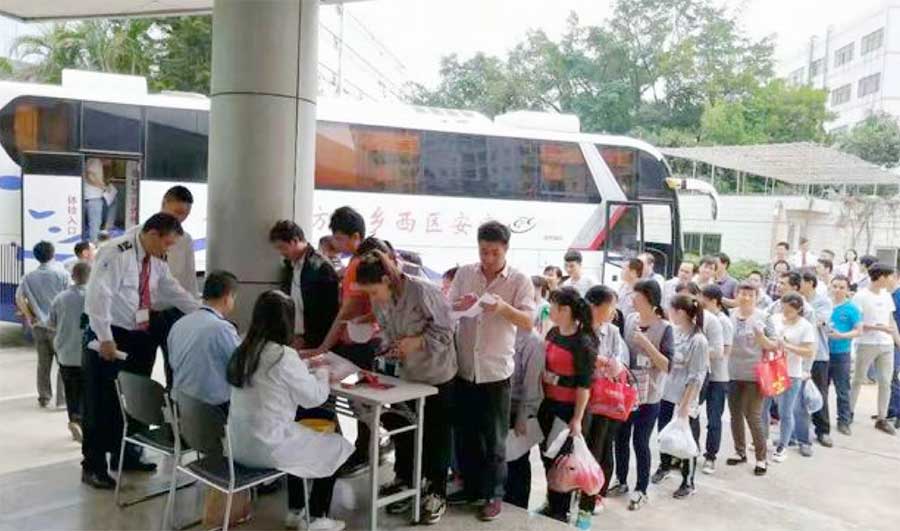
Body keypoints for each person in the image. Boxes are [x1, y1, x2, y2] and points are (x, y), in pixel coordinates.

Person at [81, 213, 200, 489]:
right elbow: (99, 295)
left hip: (137, 334)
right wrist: (105, 337)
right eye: (167, 243)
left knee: (135, 397)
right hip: (108, 335)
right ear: (153, 234)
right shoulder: (117, 252)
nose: (168, 249)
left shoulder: (154, 260)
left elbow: (173, 290)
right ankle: (93, 466)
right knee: (101, 401)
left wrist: (203, 311)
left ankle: (127, 454)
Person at [227, 291, 353, 531]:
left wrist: (303, 365)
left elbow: (274, 375)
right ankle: (315, 518)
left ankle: (296, 511)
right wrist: (323, 372)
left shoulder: (243, 348)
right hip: (267, 449)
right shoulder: (283, 355)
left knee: (300, 438)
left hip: (238, 446)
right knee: (337, 445)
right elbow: (314, 398)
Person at [353, 251, 458, 524]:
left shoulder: (423, 291)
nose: (373, 299)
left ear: (387, 280)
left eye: (374, 292)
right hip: (405, 376)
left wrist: (418, 341)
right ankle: (406, 480)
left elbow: (447, 330)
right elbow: (386, 330)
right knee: (403, 429)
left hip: (436, 375)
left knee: (435, 435)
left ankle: (435, 492)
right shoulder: (380, 300)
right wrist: (388, 347)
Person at [447, 221, 534, 522]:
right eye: (483, 251)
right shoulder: (465, 274)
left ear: (506, 249)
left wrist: (502, 308)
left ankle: (494, 495)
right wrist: (460, 305)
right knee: (466, 435)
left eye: (495, 253)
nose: (488, 258)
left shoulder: (519, 280)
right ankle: (470, 488)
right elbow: (447, 309)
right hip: (464, 369)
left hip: (496, 372)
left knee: (495, 440)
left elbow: (529, 321)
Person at [301, 207, 383, 476]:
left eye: (339, 238)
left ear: (356, 236)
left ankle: (365, 452)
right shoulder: (358, 263)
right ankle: (368, 449)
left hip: (362, 343)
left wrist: (324, 347)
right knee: (358, 401)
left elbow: (348, 311)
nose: (336, 244)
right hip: (359, 340)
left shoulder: (360, 266)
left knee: (362, 402)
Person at [608, 280, 672, 511]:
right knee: (621, 437)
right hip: (626, 393)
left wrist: (646, 344)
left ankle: (641, 489)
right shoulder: (630, 319)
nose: (632, 300)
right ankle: (621, 480)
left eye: (637, 296)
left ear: (650, 300)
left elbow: (667, 365)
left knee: (641, 442)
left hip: (650, 395)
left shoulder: (665, 328)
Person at [537, 287, 598, 527]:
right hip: (547, 405)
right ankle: (552, 502)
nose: (548, 310)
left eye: (552, 306)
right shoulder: (553, 332)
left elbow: (584, 385)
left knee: (563, 462)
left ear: (565, 310)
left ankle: (561, 511)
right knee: (547, 457)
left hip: (568, 410)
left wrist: (577, 419)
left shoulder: (583, 342)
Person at [655, 294, 709, 499]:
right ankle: (664, 466)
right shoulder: (675, 332)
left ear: (681, 312)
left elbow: (697, 376)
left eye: (672, 309)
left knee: (687, 440)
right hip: (667, 393)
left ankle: (688, 481)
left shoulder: (698, 340)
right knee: (665, 433)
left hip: (684, 398)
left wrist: (685, 405)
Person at [148, 186, 200, 390]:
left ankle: (174, 407)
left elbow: (189, 279)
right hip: (144, 312)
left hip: (174, 312)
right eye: (177, 212)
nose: (180, 218)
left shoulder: (185, 240)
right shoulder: (144, 234)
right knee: (141, 365)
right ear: (163, 204)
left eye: (186, 214)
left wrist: (195, 313)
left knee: (176, 366)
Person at [166, 271, 241, 410]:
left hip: (181, 407)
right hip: (212, 411)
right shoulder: (221, 328)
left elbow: (173, 363)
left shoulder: (179, 324)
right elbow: (241, 366)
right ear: (227, 298)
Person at [584, 285, 628, 507]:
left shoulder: (612, 332)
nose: (614, 312)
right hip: (579, 397)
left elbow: (618, 365)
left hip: (603, 399)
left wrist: (606, 364)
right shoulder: (578, 328)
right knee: (576, 447)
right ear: (594, 306)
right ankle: (571, 491)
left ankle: (595, 494)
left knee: (599, 446)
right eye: (611, 306)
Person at [728, 282, 777, 476]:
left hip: (755, 374)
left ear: (757, 297)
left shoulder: (764, 317)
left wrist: (761, 337)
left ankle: (761, 458)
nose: (746, 298)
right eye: (743, 293)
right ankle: (739, 451)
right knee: (735, 414)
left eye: (750, 295)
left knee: (753, 415)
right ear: (736, 295)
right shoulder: (730, 315)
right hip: (732, 372)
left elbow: (774, 344)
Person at [270, 221, 340, 351]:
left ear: (295, 241)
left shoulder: (320, 267)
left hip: (316, 342)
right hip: (294, 338)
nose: (281, 253)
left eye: (282, 247)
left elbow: (329, 312)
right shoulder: (289, 267)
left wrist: (307, 339)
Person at [16, 241, 69, 408]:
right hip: (59, 326)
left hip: (38, 326)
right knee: (64, 362)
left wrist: (29, 316)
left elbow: (19, 298)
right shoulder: (62, 275)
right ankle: (62, 400)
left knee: (43, 363)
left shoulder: (28, 277)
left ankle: (44, 397)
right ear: (53, 254)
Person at [765, 293, 816, 462]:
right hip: (771, 368)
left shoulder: (805, 326)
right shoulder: (774, 319)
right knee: (763, 407)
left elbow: (808, 351)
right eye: (783, 309)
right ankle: (764, 438)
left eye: (789, 311)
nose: (785, 313)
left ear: (799, 309)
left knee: (785, 411)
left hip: (791, 372)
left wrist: (787, 346)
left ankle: (783, 446)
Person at [850, 263, 899, 435]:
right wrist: (879, 328)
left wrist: (897, 341)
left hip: (886, 344)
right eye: (890, 276)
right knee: (858, 379)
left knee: (886, 381)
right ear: (881, 277)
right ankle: (848, 413)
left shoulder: (886, 295)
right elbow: (856, 323)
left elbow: (891, 320)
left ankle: (882, 418)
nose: (892, 279)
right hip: (866, 343)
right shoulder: (861, 296)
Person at [47, 262, 91, 442]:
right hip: (88, 354)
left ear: (72, 276)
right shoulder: (94, 296)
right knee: (87, 391)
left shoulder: (60, 298)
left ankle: (74, 419)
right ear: (91, 277)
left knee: (71, 390)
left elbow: (51, 324)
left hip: (65, 354)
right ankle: (85, 423)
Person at [504, 324, 545, 510]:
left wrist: (523, 415)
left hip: (519, 408)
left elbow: (532, 385)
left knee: (518, 459)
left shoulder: (532, 341)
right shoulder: (505, 331)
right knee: (505, 458)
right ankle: (504, 500)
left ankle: (518, 505)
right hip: (503, 404)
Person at [699, 284, 733, 474]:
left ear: (714, 302)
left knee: (714, 419)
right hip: (703, 373)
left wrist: (698, 353)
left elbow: (724, 351)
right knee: (692, 414)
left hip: (718, 377)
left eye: (704, 303)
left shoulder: (723, 322)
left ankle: (710, 456)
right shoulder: (703, 318)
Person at [799, 271, 834, 448]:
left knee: (819, 392)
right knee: (798, 395)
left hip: (818, 354)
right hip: (797, 354)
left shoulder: (822, 302)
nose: (798, 285)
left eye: (801, 281)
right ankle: (800, 432)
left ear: (810, 283)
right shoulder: (795, 300)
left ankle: (823, 430)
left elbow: (819, 321)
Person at [827, 275, 863, 436]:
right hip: (822, 353)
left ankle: (844, 421)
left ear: (848, 290)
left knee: (842, 389)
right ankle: (820, 421)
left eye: (842, 287)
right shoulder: (825, 305)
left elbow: (858, 330)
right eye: (835, 286)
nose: (837, 290)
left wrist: (841, 335)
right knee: (821, 389)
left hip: (841, 354)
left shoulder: (852, 308)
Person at [83, 157, 106, 242]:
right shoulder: (96, 160)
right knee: (95, 224)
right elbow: (90, 175)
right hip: (94, 197)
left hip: (88, 197)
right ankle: (94, 244)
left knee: (89, 224)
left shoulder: (90, 160)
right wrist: (102, 186)